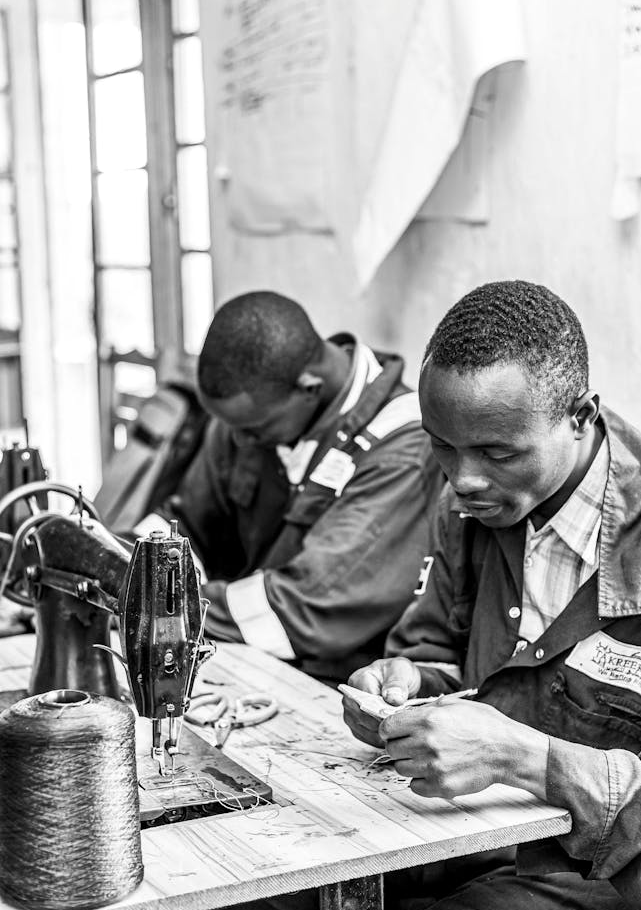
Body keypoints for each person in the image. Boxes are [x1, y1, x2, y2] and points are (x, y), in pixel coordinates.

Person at [186, 280, 641, 910]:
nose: (461, 479)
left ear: (581, 417)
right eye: (442, 447)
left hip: (606, 904)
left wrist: (526, 756)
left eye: (494, 451)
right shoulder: (481, 508)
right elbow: (438, 650)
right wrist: (410, 683)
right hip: (469, 846)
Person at [153, 290, 443, 685]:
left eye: (253, 432)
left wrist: (160, 605)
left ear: (309, 389)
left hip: (335, 687)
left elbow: (303, 609)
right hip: (247, 660)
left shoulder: (402, 450)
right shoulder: (252, 415)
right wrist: (121, 562)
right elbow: (186, 528)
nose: (238, 442)